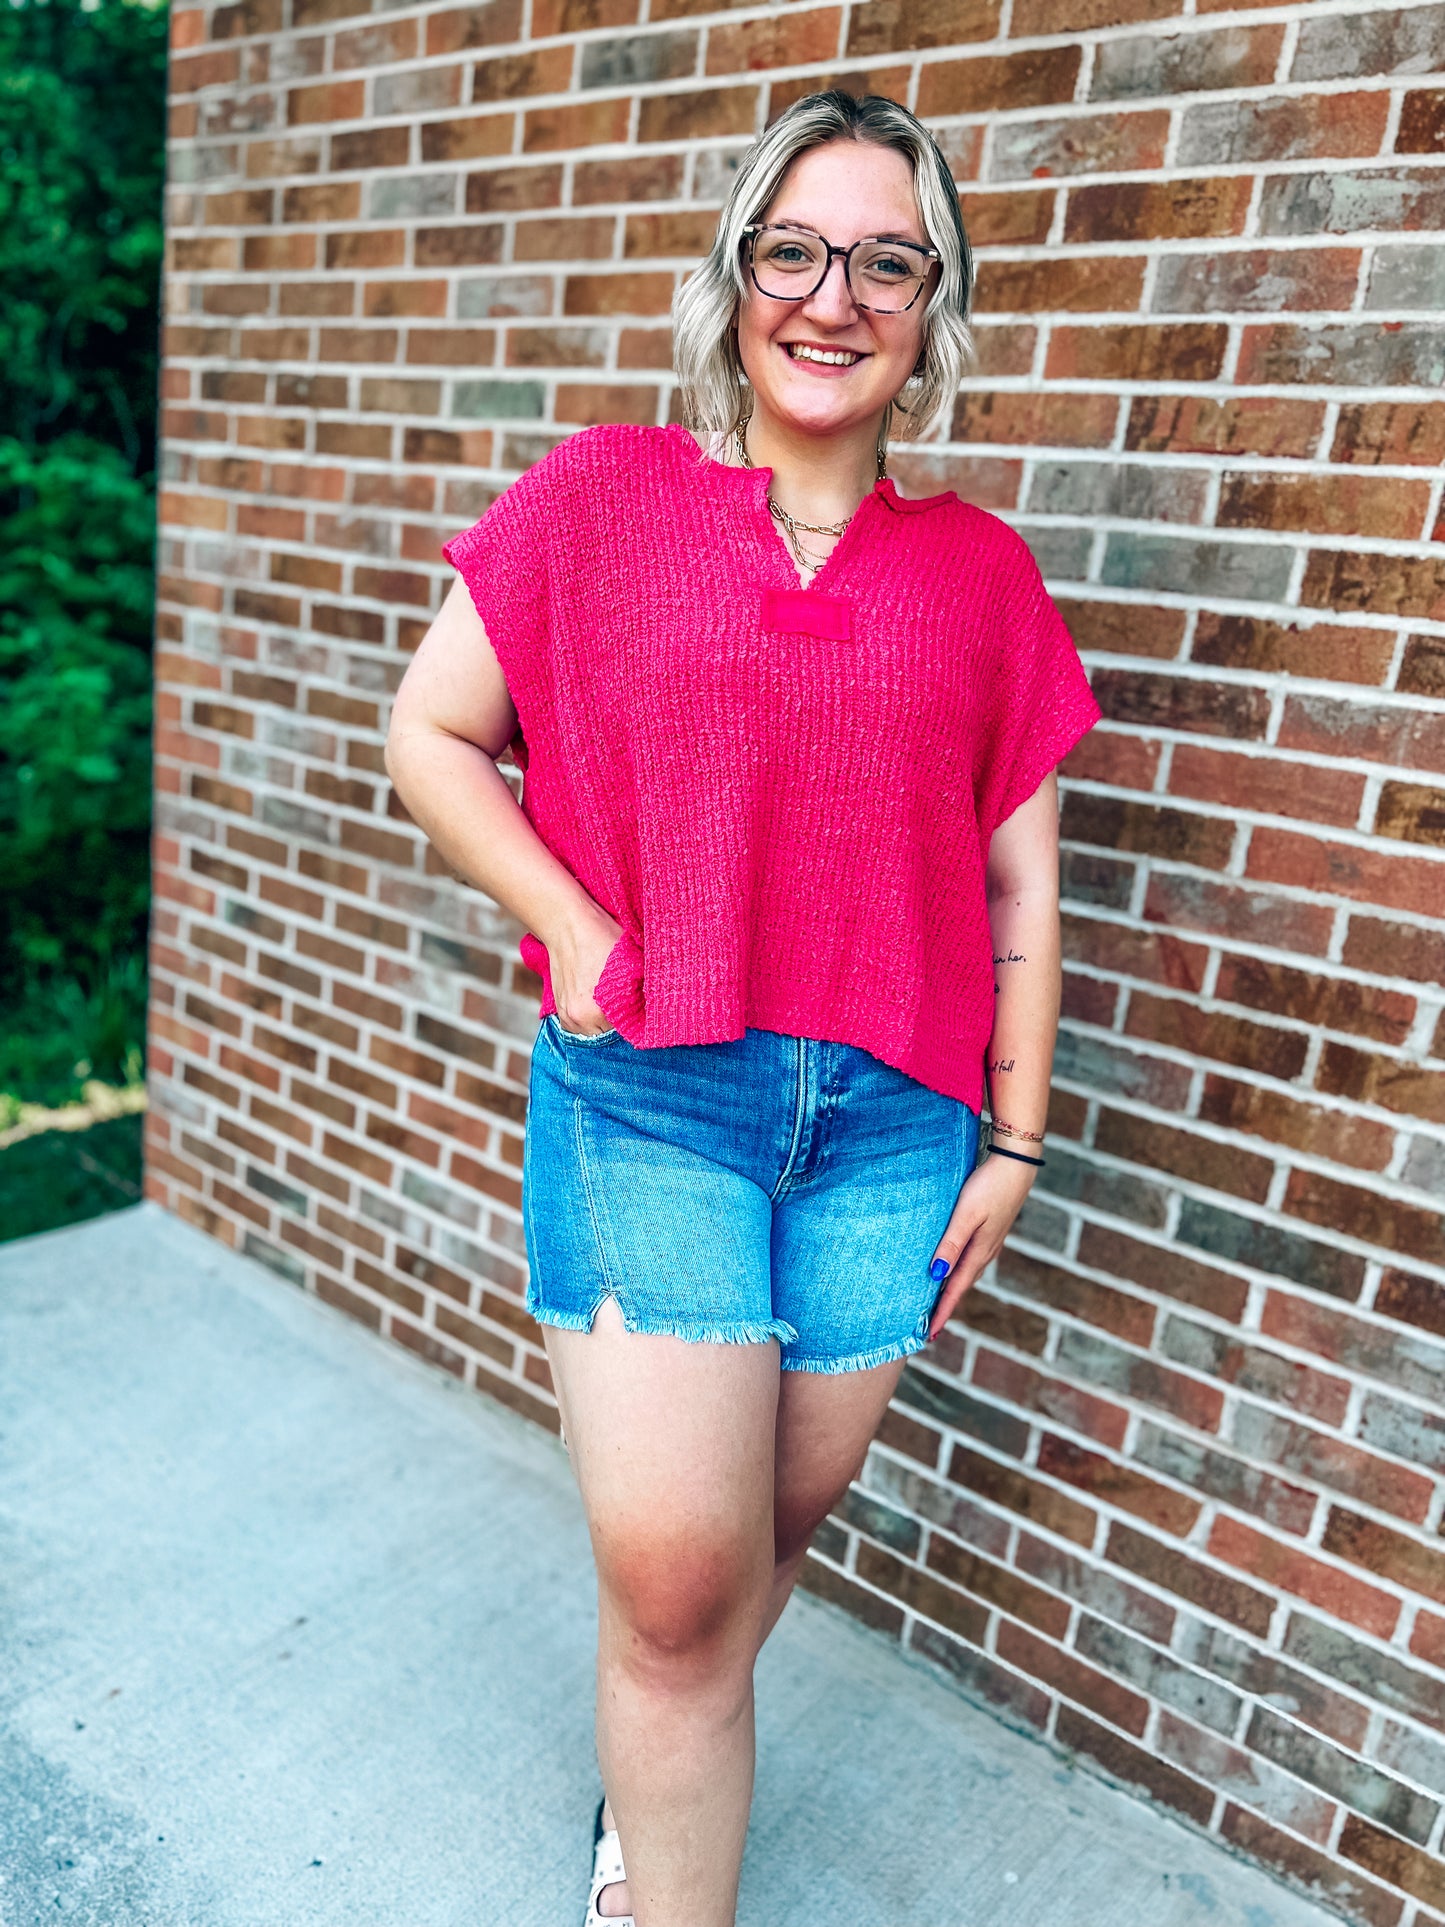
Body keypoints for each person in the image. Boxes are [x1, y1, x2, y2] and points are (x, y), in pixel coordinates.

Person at [384, 87, 1101, 1927]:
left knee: (747, 1552)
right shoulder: (603, 498)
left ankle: (652, 1769)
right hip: (652, 1101)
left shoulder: (981, 580)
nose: (831, 295)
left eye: (884, 258)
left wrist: (1012, 1140)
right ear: (736, 275)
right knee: (688, 1585)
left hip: (892, 1133)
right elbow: (432, 735)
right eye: (793, 248)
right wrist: (575, 924)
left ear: (935, 302)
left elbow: (1021, 878)